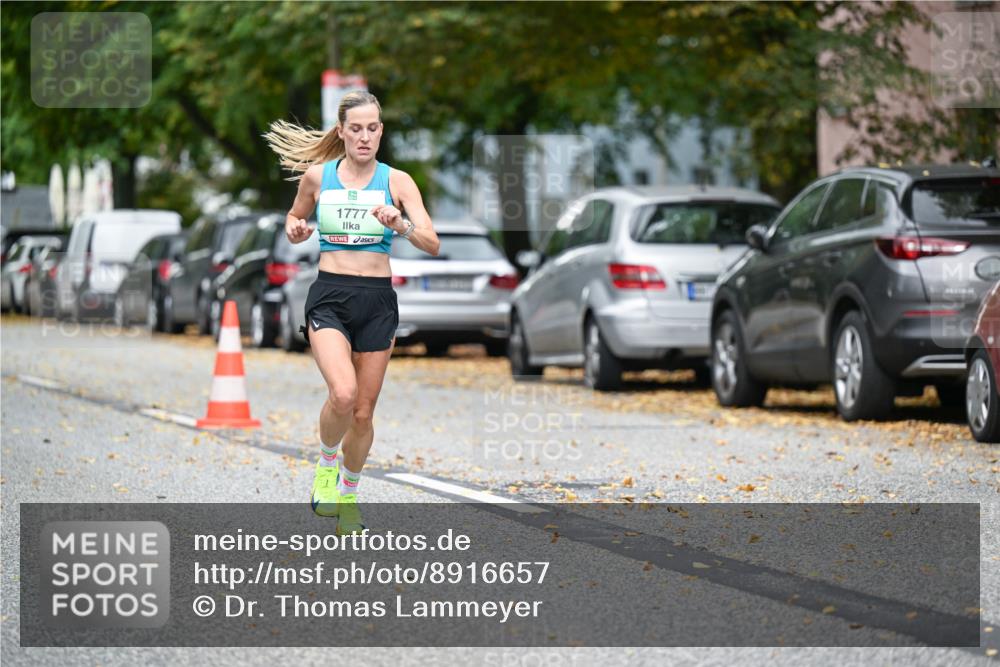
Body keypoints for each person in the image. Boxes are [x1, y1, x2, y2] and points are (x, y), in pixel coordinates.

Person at [263, 92, 439, 534]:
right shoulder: (317, 177)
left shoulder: (398, 181)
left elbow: (432, 242)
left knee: (362, 413)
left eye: (372, 128)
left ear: (381, 131)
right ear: (341, 131)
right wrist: (296, 229)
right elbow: (294, 218)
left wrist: (400, 224)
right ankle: (326, 466)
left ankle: (349, 495)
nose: (364, 137)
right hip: (330, 295)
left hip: (377, 300)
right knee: (342, 394)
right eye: (356, 128)